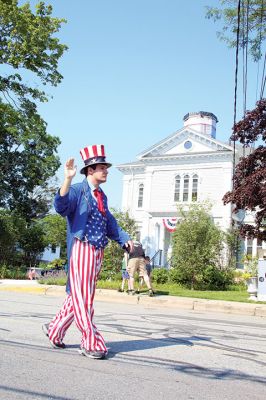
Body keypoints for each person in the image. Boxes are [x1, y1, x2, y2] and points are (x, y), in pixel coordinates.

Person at [42, 144, 133, 360]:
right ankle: (90, 341)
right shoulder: (77, 190)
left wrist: (124, 238)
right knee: (84, 299)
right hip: (82, 248)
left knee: (77, 296)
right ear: (90, 170)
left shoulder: (101, 195)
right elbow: (61, 206)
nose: (106, 171)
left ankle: (55, 330)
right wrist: (67, 179)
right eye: (103, 167)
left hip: (97, 249)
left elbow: (109, 221)